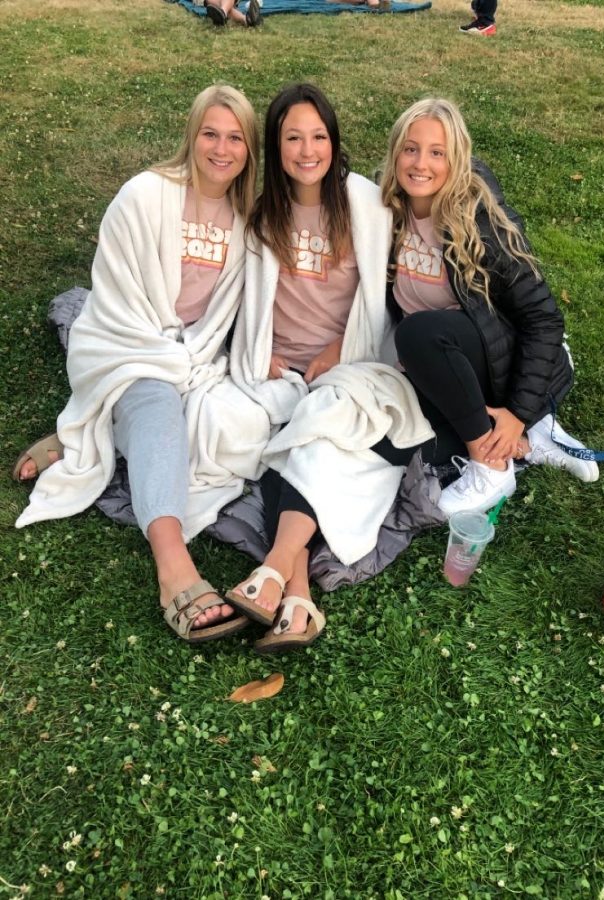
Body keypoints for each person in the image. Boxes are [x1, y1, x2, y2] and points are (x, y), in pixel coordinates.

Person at [14, 84, 270, 643]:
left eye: (235, 138)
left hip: (197, 355)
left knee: (242, 424)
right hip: (126, 341)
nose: (221, 149)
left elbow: (242, 308)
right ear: (191, 135)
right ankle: (174, 567)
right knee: (156, 405)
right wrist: (161, 359)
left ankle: (89, 427)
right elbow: (117, 298)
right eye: (210, 134)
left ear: (249, 149)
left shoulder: (248, 220)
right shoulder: (144, 196)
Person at [225, 83, 431, 654]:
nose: (307, 149)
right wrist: (253, 345)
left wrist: (338, 351)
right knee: (273, 438)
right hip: (274, 366)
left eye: (318, 136)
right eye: (293, 137)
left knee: (312, 434)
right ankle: (297, 597)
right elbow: (235, 293)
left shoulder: (366, 206)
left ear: (335, 143)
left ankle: (272, 569)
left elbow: (391, 295)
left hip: (347, 363)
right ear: (276, 145)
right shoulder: (260, 211)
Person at [379, 97, 598, 516]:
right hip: (445, 368)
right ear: (395, 154)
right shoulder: (385, 212)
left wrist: (517, 411)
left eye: (437, 152)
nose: (420, 163)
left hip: (496, 361)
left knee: (420, 332)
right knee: (400, 442)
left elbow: (544, 320)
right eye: (410, 148)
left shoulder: (480, 221)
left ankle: (492, 464)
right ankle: (534, 439)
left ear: (456, 159)